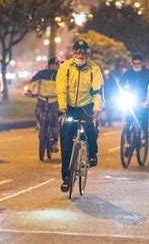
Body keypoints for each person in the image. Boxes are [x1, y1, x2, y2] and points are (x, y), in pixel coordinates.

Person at [56, 40, 103, 192]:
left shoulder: (94, 69)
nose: (81, 55)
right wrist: (62, 108)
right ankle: (66, 178)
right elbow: (61, 89)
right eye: (78, 52)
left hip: (87, 106)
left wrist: (96, 109)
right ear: (73, 53)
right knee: (66, 140)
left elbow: (97, 91)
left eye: (83, 52)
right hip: (69, 108)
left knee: (90, 129)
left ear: (87, 53)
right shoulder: (65, 68)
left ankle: (93, 153)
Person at [26, 57, 61, 152]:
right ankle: (39, 123)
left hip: (54, 100)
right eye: (56, 64)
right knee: (38, 112)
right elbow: (34, 83)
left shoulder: (61, 75)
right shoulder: (41, 74)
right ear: (50, 65)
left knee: (54, 121)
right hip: (42, 99)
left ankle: (54, 142)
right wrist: (29, 91)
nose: (58, 66)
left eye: (58, 65)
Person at [120, 53, 149, 138]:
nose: (136, 65)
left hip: (143, 99)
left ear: (142, 63)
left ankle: (145, 132)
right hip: (131, 98)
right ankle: (128, 139)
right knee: (128, 118)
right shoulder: (128, 73)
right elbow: (120, 83)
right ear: (131, 63)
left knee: (144, 117)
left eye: (138, 63)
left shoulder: (147, 73)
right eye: (135, 63)